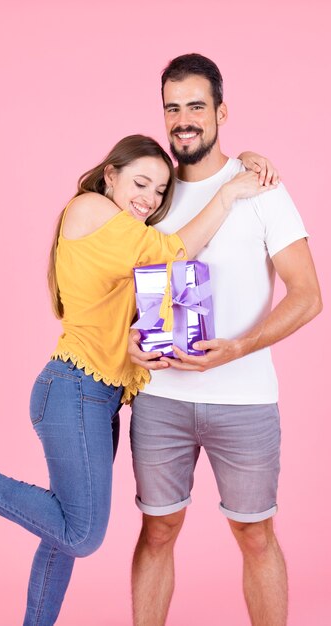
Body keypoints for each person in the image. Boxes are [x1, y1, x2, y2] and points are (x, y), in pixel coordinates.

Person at [0, 134, 274, 626]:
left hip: (100, 398)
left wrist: (240, 163)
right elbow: (168, 251)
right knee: (83, 534)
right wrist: (229, 192)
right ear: (110, 175)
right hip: (73, 388)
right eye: (139, 182)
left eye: (160, 190)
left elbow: (128, 308)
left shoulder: (120, 233)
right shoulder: (89, 208)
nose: (148, 198)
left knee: (60, 534)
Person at [128, 54, 322, 626]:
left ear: (220, 111)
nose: (183, 119)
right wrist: (128, 342)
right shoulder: (151, 192)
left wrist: (239, 347)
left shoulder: (259, 187)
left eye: (196, 106)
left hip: (245, 399)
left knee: (255, 533)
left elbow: (308, 295)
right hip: (160, 397)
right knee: (158, 529)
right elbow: (115, 280)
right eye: (172, 108)